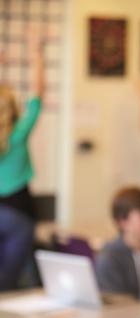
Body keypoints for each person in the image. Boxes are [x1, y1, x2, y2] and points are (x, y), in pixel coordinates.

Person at [0, 29, 44, 290]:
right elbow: (38, 94)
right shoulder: (18, 134)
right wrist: (36, 52)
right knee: (11, 283)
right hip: (19, 212)